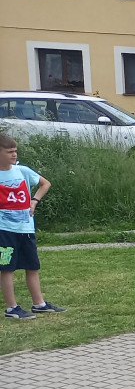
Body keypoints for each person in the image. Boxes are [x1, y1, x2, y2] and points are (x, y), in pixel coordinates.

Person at [0, 134, 63, 319]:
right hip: (4, 229)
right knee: (7, 268)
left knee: (32, 266)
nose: (13, 155)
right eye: (9, 151)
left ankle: (39, 303)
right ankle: (12, 308)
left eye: (15, 151)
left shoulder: (23, 171)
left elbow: (45, 184)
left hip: (25, 229)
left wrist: (34, 200)